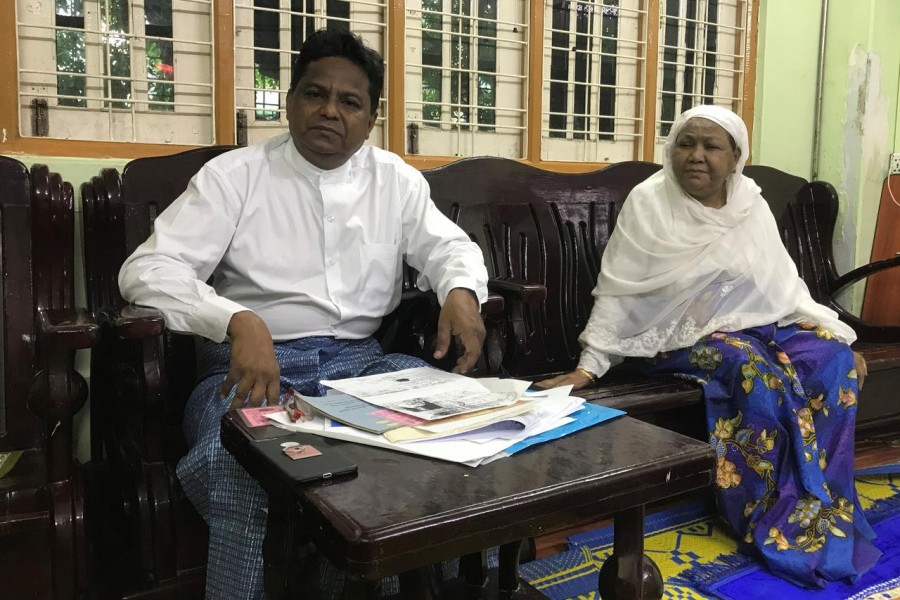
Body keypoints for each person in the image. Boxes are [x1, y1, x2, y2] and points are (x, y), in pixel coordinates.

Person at [118, 29, 489, 599]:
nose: (329, 111)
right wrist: (237, 320)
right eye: (315, 94)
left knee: (455, 437)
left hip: (366, 369)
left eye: (350, 102)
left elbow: (449, 247)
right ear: (289, 102)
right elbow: (147, 270)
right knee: (233, 466)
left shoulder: (395, 180)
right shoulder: (235, 177)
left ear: (370, 118)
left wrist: (460, 288)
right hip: (248, 372)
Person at [537, 105, 880, 588]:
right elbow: (620, 291)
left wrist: (833, 331)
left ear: (735, 157)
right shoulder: (650, 202)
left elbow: (782, 283)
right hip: (671, 339)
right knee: (752, 368)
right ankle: (766, 515)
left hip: (754, 329)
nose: (695, 156)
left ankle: (823, 505)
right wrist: (588, 368)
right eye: (685, 143)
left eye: (711, 146)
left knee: (832, 360)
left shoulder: (749, 204)